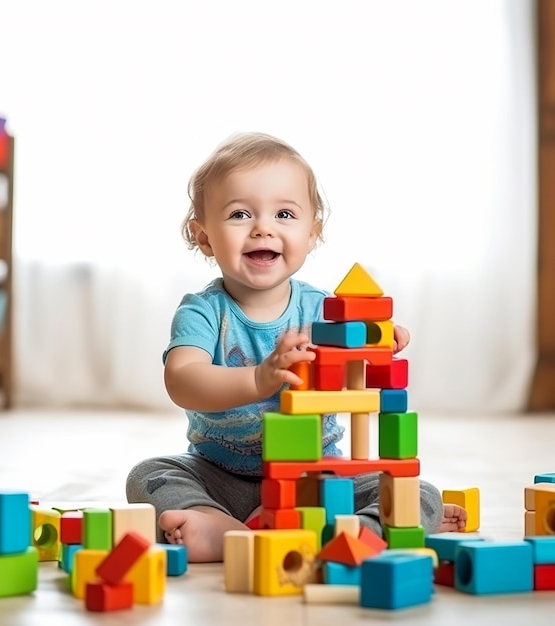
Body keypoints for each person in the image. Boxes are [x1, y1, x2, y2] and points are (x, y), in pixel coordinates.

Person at [126, 131, 467, 562]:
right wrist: (258, 377)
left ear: (312, 233)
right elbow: (182, 380)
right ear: (205, 237)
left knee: (417, 490)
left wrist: (373, 342)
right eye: (239, 214)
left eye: (285, 213)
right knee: (150, 475)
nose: (263, 227)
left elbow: (353, 369)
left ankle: (361, 531)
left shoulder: (323, 310)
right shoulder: (204, 311)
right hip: (221, 476)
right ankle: (215, 524)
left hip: (317, 480)